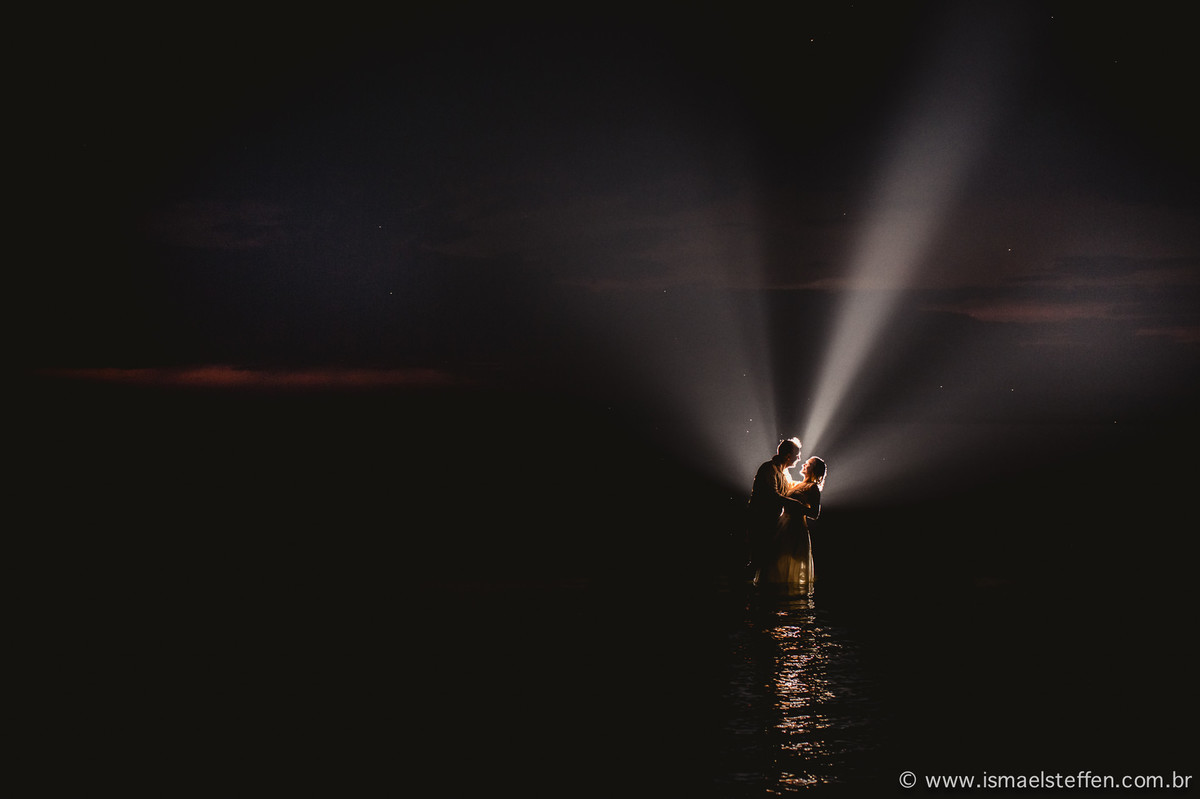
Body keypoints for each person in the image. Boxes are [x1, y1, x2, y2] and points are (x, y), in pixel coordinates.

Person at [755, 456, 827, 593]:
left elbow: (815, 514)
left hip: (795, 527)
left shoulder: (813, 488)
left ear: (814, 469)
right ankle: (770, 591)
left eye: (809, 464)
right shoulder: (795, 484)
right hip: (783, 523)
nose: (804, 464)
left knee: (789, 559)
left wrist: (799, 507)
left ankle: (788, 593)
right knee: (774, 559)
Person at [746, 438, 805, 576]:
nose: (799, 458)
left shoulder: (785, 474)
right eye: (797, 455)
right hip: (760, 519)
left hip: (772, 521)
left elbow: (790, 489)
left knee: (765, 559)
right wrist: (795, 503)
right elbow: (773, 495)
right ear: (788, 456)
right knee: (757, 558)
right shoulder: (768, 469)